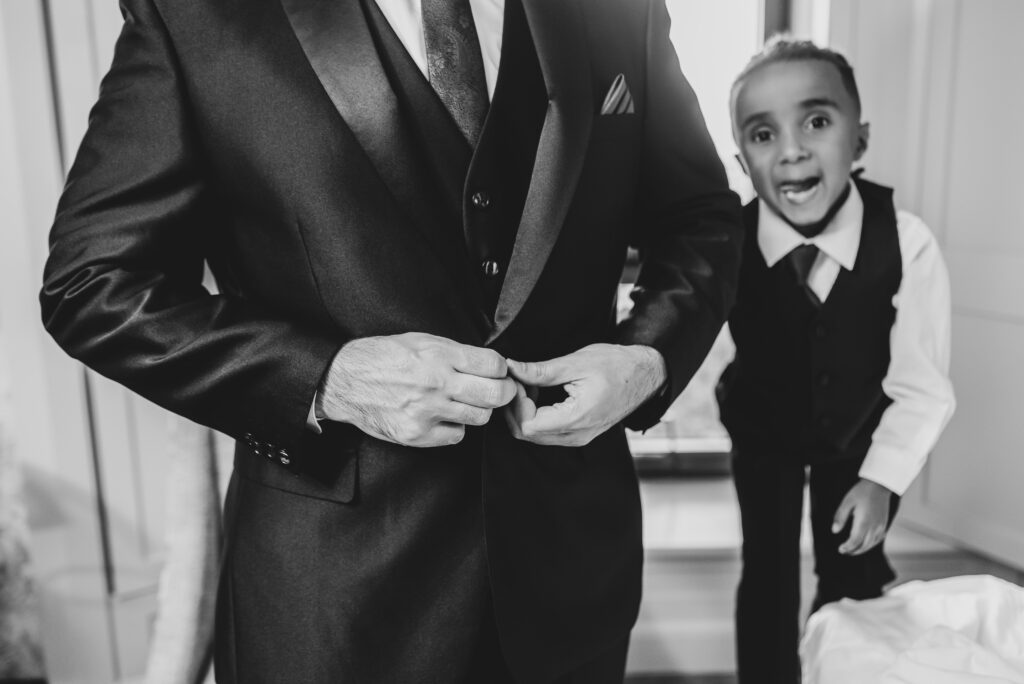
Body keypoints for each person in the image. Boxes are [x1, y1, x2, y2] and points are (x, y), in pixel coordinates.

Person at [40, 0, 743, 681]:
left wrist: (648, 358)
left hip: (570, 580)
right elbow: (91, 283)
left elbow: (701, 218)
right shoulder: (192, 13)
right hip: (333, 604)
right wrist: (329, 378)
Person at [717, 38, 956, 683]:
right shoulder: (728, 243)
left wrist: (882, 480)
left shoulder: (906, 242)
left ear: (860, 139)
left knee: (853, 569)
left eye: (816, 121)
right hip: (763, 429)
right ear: (743, 163)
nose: (792, 150)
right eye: (763, 134)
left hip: (860, 436)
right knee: (766, 571)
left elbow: (923, 388)